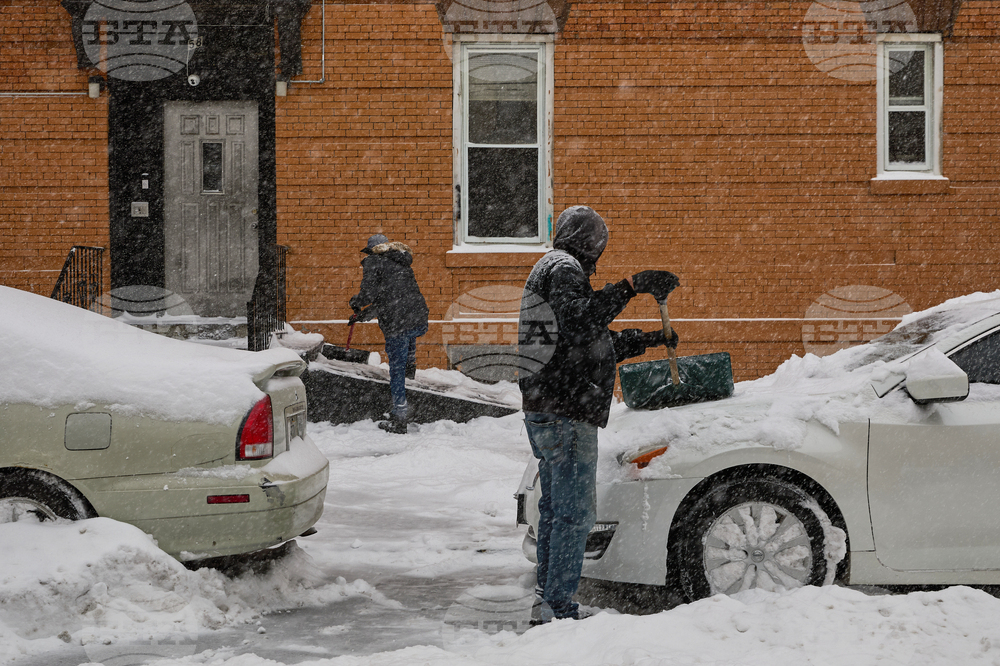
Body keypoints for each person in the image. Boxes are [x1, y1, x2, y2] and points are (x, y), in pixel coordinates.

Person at [518, 205, 679, 623]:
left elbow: (584, 338)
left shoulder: (548, 268)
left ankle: (546, 598)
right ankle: (559, 607)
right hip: (565, 410)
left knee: (556, 509)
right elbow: (582, 320)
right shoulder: (564, 270)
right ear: (592, 245)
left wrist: (644, 340)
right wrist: (631, 286)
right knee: (575, 514)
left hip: (545, 406)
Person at [349, 233, 429, 434]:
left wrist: (356, 303)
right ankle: (411, 360)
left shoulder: (373, 262)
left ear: (371, 251)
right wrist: (363, 316)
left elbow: (370, 295)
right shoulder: (401, 261)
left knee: (396, 369)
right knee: (409, 336)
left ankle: (399, 417)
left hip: (397, 322)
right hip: (417, 314)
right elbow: (389, 298)